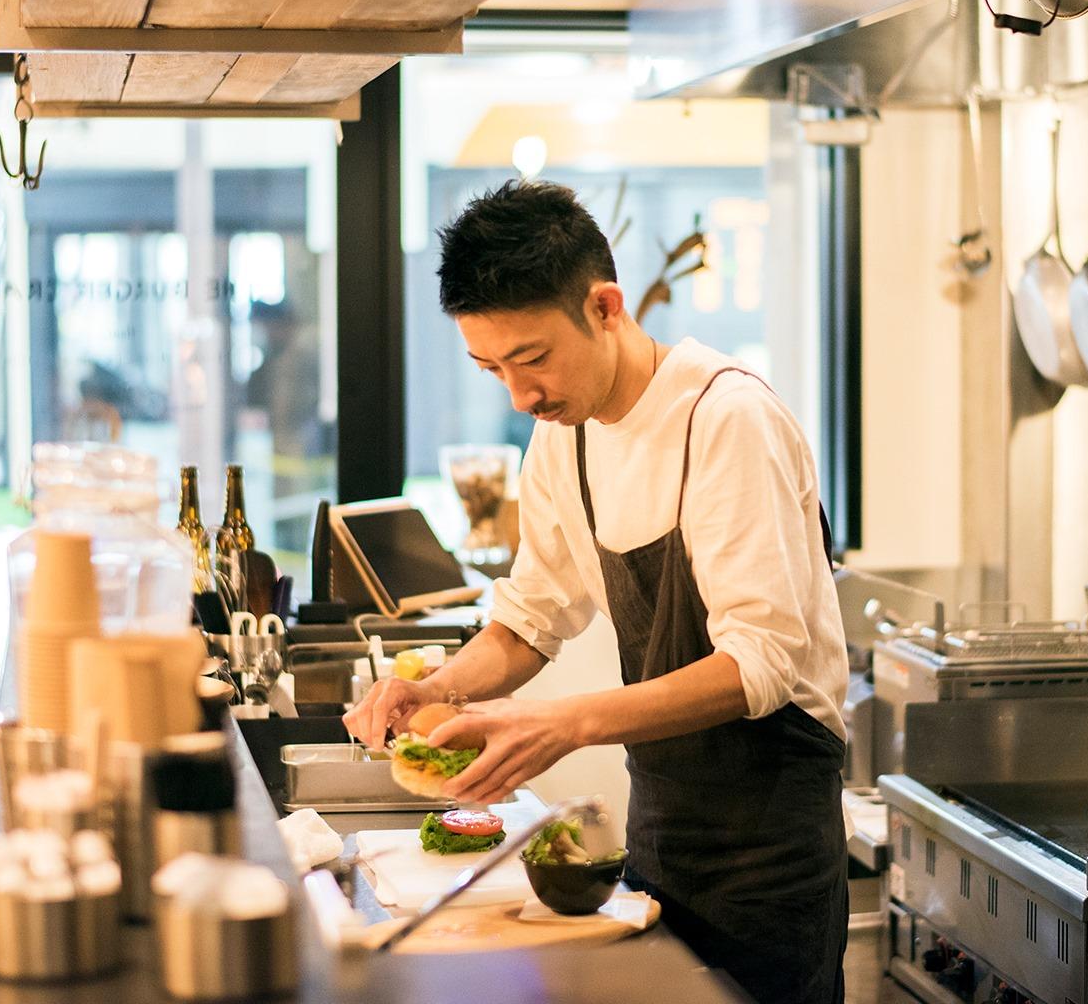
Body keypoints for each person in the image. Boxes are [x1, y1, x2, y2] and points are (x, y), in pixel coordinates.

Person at [345, 179, 850, 1004]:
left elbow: (759, 665)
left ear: (605, 307)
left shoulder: (724, 419)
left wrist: (566, 723)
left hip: (771, 845)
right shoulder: (563, 438)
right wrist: (430, 693)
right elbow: (529, 624)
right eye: (492, 368)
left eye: (533, 358)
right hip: (660, 824)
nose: (521, 395)